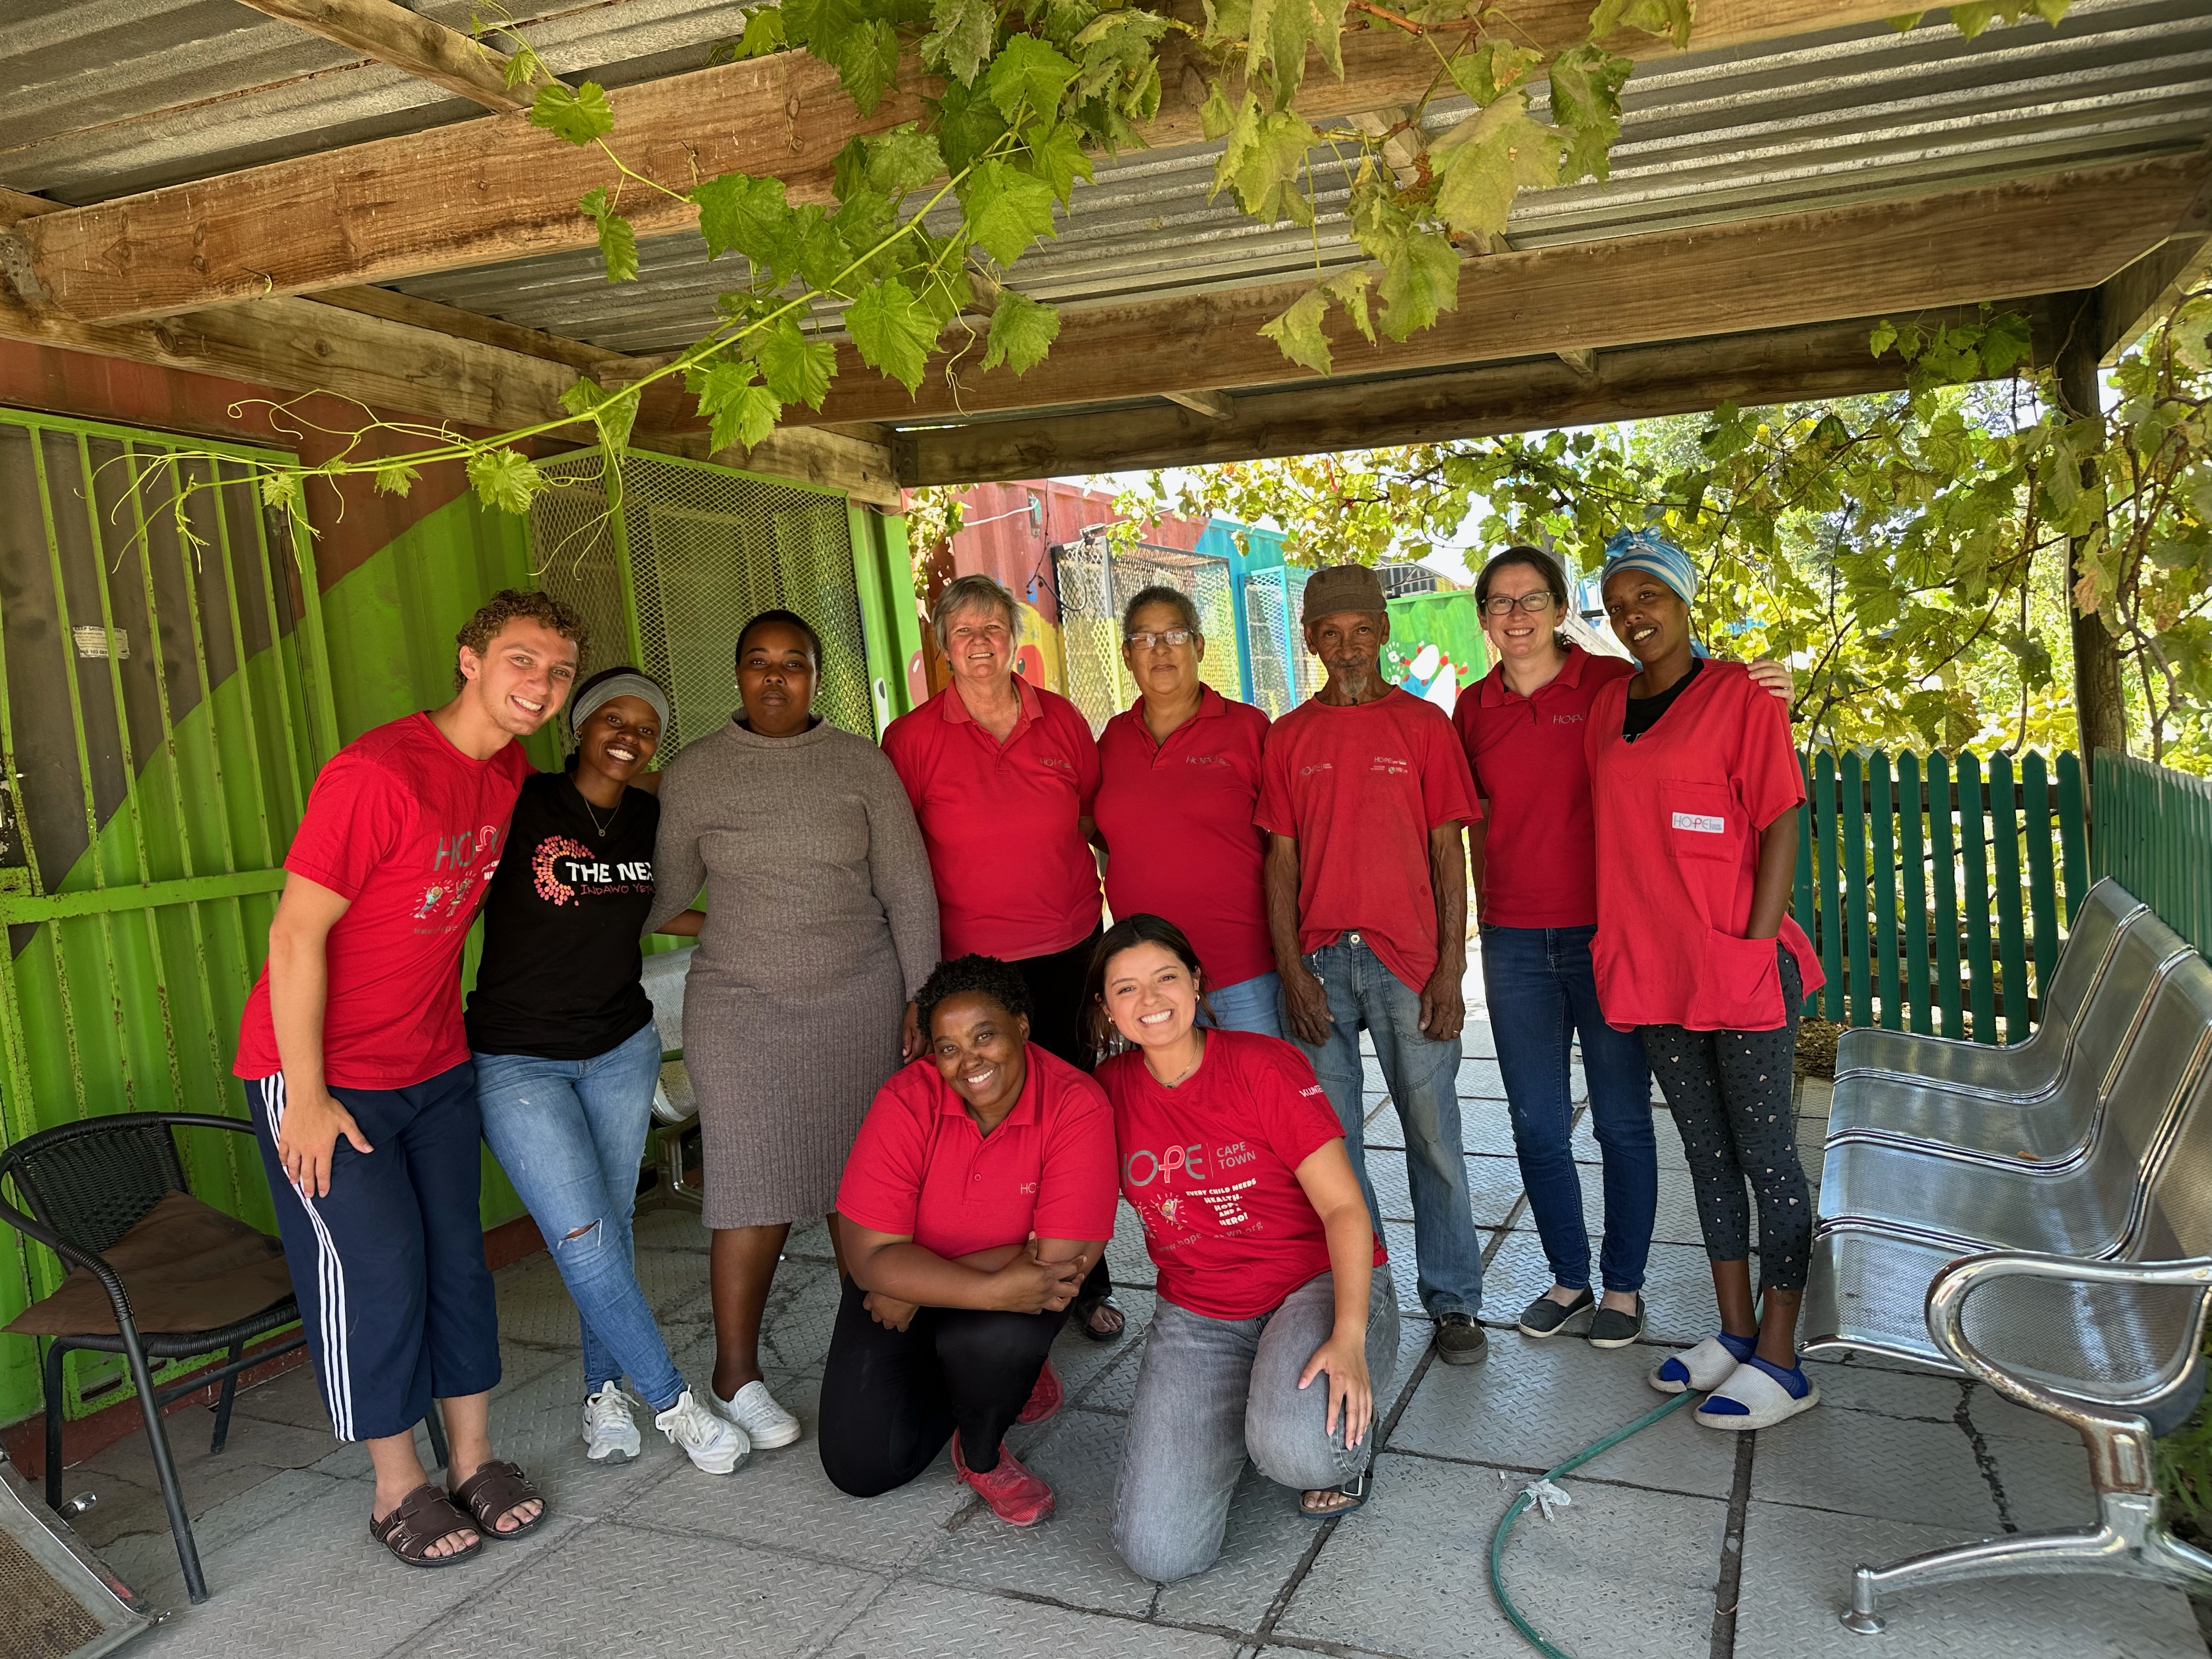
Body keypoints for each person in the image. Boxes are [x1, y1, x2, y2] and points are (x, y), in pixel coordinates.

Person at [233, 590, 582, 1569]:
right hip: (323, 1073)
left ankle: (471, 1459)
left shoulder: (507, 768)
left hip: (433, 1060)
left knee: (458, 1265)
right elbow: (296, 933)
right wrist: (305, 1093)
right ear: (470, 659)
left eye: (556, 671)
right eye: (521, 660)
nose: (540, 685)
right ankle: (398, 1484)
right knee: (377, 1271)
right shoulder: (375, 773)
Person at [1455, 546, 1796, 1350]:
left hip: (1614, 936)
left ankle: (1623, 1289)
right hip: (1511, 941)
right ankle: (1568, 1278)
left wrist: (1757, 681)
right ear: (1484, 619)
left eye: (1533, 597)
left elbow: (1687, 689)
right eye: (1500, 603)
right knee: (1536, 1124)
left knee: (1621, 1123)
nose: (1517, 615)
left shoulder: (1608, 684)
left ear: (1561, 608)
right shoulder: (1471, 709)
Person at [645, 610, 940, 1451]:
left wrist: (920, 997)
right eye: (757, 663)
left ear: (818, 676)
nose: (776, 679)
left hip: (859, 1000)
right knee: (749, 1186)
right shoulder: (697, 774)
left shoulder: (860, 765)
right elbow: (663, 897)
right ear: (736, 675)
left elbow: (909, 890)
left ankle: (876, 1356)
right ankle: (736, 1377)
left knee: (868, 1188)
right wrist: (736, 925)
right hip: (741, 1010)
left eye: (794, 664)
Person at [467, 667, 744, 1475]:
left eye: (648, 726)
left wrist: (754, 917)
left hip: (620, 1048)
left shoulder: (653, 820)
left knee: (611, 1230)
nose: (629, 734)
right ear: (579, 726)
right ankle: (675, 1406)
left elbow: (664, 903)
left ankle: (602, 1398)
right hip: (518, 1057)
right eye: (612, 719)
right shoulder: (528, 804)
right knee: (584, 1238)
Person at [1585, 530, 1826, 1429]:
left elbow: (1779, 819)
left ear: (1684, 600)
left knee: (1766, 1154)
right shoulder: (1608, 709)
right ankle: (1730, 1332)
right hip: (1655, 969)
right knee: (1706, 1152)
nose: (1632, 613)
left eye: (1648, 593)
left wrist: (1749, 945)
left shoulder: (1739, 695)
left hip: (1738, 966)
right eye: (1616, 601)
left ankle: (1781, 1353)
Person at [1088, 916, 1398, 1582]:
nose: (1151, 1000)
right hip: (1202, 1312)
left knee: (1302, 1456)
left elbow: (1345, 1208)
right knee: (1160, 1555)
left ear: (1197, 983)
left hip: (1313, 1283)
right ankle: (1264, 1406)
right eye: (1127, 989)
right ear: (1106, 1008)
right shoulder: (1106, 1093)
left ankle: (1334, 1442)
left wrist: (1348, 1336)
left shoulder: (1263, 1066)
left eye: (1166, 978)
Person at [1256, 563, 1490, 1366]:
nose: (1348, 648)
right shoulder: (1289, 738)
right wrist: (1291, 972)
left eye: (1362, 631)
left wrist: (1451, 968)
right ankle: (1369, 1298)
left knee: (1435, 1140)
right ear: (1311, 640)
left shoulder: (1424, 727)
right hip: (1321, 962)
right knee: (1336, 1149)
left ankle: (1456, 1301)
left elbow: (1446, 851)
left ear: (1383, 635)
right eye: (1331, 633)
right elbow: (1279, 864)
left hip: (1408, 963)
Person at [881, 573, 1125, 1341]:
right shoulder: (913, 740)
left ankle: (1087, 1284)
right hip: (974, 975)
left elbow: (1092, 818)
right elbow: (899, 866)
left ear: (1014, 638)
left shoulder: (1061, 720)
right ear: (943, 647)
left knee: (1074, 1118)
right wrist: (918, 988)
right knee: (986, 1126)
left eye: (994, 628)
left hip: (1069, 952)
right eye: (965, 633)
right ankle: (994, 1279)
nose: (981, 644)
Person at [820, 955, 1118, 1525]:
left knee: (1000, 1338)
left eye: (985, 1036)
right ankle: (976, 1379)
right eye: (948, 1047)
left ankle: (981, 1452)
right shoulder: (907, 1100)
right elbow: (867, 1258)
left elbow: (1058, 1262)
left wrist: (912, 1282)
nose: (968, 1061)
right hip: (952, 1287)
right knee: (861, 1469)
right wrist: (987, 1287)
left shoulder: (1076, 1105)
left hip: (954, 1291)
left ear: (1022, 1027)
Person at [1093, 586, 1279, 1036]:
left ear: (1198, 645)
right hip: (1147, 985)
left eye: (1174, 635)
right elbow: (1098, 831)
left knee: (1258, 1101)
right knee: (1171, 1105)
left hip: (1242, 972)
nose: (1160, 650)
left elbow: (1285, 848)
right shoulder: (1111, 741)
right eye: (1144, 639)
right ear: (1126, 654)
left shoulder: (1249, 729)